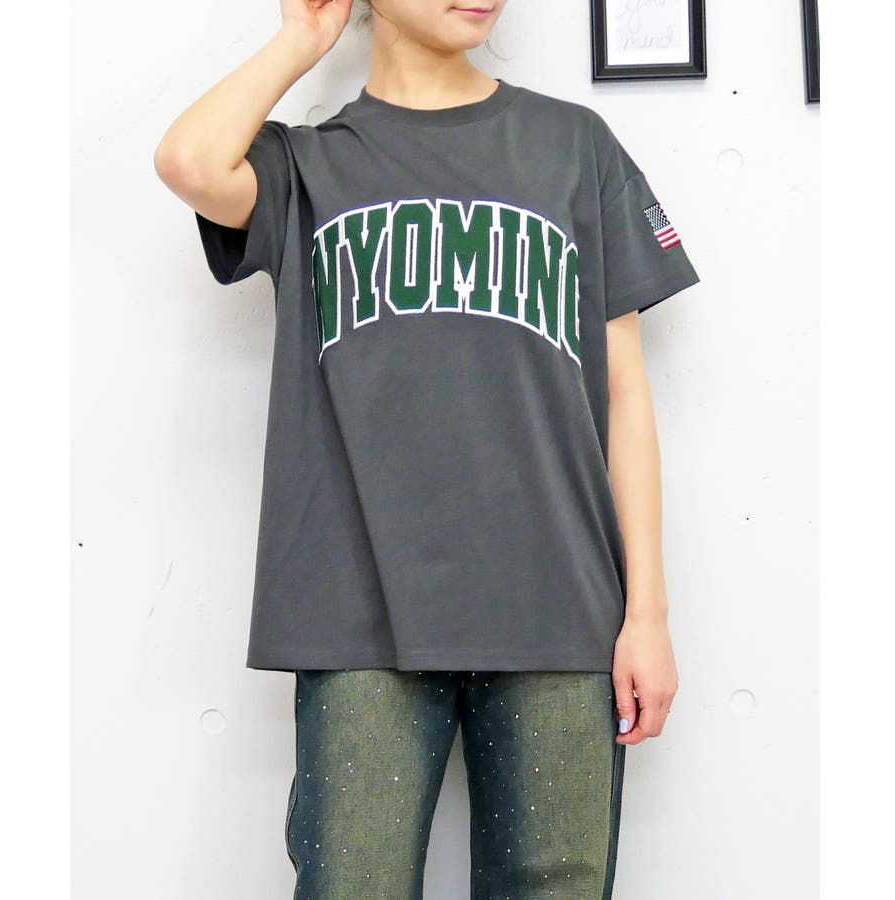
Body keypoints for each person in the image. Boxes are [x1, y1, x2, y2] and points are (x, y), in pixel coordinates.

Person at [154, 1, 701, 896]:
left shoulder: (573, 146)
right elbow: (188, 160)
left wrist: (648, 616)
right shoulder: (308, 166)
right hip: (358, 612)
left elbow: (625, 396)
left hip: (560, 607)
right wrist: (303, 39)